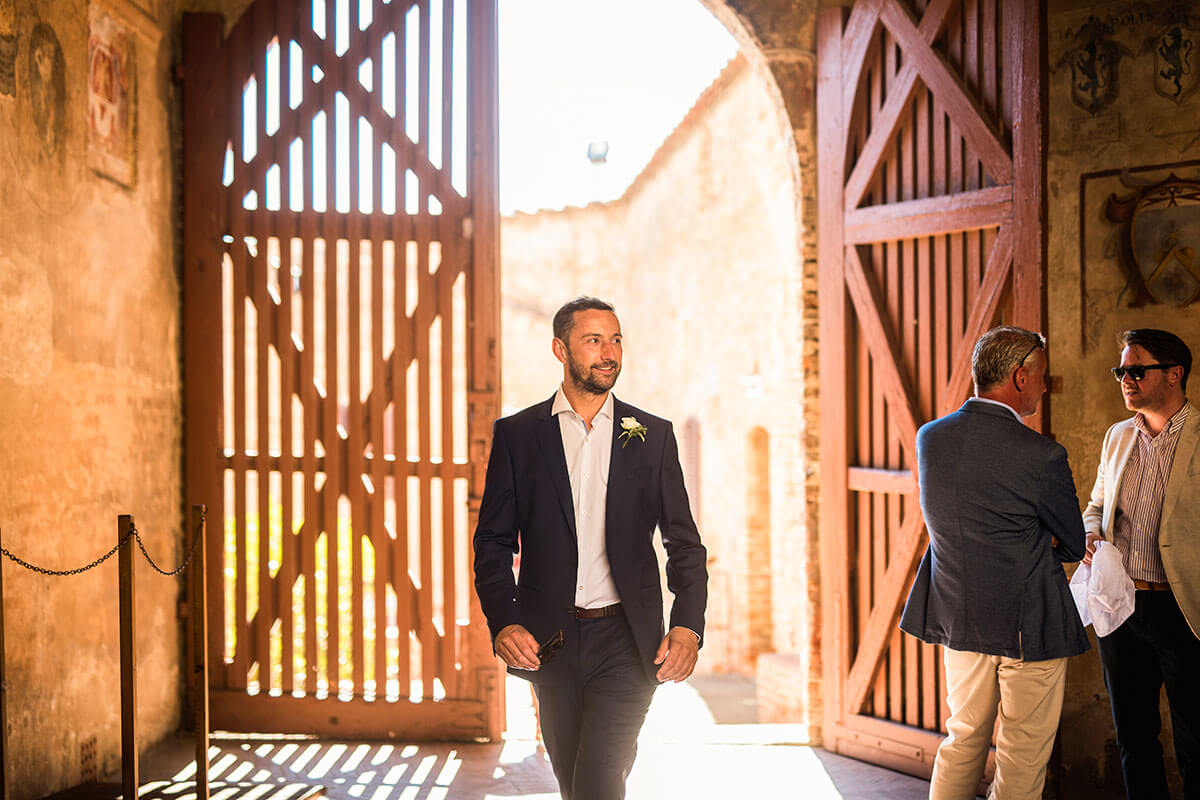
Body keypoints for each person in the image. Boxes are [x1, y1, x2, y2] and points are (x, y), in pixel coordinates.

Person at [472, 296, 708, 800]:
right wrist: (504, 619)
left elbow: (684, 543)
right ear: (561, 350)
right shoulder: (517, 435)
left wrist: (688, 624)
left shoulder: (653, 436)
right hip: (548, 643)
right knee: (572, 778)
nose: (609, 353)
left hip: (628, 641)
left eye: (616, 339)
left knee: (599, 779)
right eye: (594, 340)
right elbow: (492, 542)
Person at [899, 326, 1089, 800]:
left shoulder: (930, 438)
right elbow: (1071, 542)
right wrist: (1030, 539)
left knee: (962, 738)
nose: (1045, 387)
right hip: (1029, 623)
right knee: (1021, 753)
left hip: (960, 617)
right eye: (1042, 377)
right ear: (1021, 376)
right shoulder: (1042, 455)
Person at [1082, 328, 1200, 800]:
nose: (1125, 380)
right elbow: (1096, 504)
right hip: (1122, 607)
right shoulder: (1117, 436)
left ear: (1174, 375)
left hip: (1185, 609)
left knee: (1195, 742)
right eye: (1121, 371)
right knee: (1134, 738)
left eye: (1137, 370)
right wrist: (1090, 532)